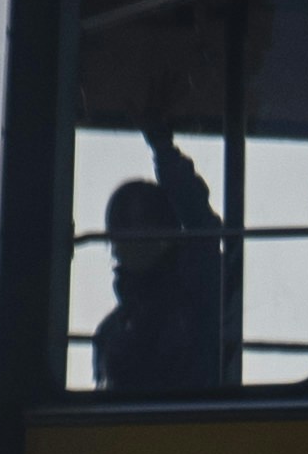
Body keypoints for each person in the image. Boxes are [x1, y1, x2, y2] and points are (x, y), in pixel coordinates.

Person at [92, 131, 234, 395]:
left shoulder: (196, 293)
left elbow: (202, 226)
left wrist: (162, 148)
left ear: (166, 234)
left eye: (139, 227)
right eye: (120, 231)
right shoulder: (110, 331)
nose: (125, 241)